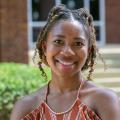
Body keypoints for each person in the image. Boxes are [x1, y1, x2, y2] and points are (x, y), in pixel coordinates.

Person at [10, 4, 120, 120]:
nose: (67, 52)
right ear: (44, 48)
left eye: (78, 43)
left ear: (88, 50)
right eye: (58, 41)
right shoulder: (26, 107)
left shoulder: (103, 100)